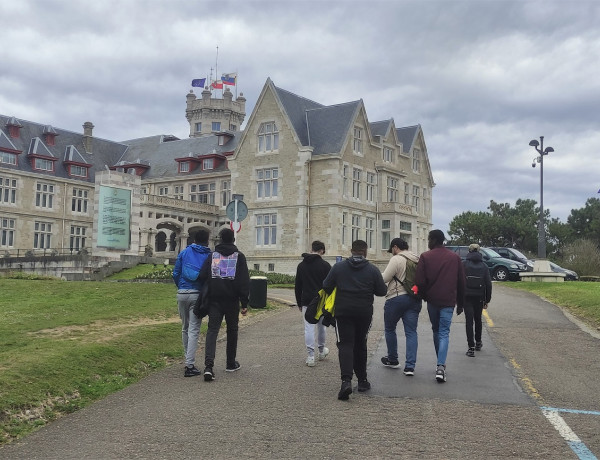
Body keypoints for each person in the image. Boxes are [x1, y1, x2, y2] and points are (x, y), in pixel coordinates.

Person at [322, 240, 387, 400]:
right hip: (364, 312)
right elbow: (381, 291)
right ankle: (363, 381)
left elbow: (326, 285)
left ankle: (346, 382)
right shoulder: (372, 269)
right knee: (360, 344)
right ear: (365, 251)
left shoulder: (338, 268)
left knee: (345, 344)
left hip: (343, 311)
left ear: (351, 251)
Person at [414, 229, 465, 383]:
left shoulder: (425, 257)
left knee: (436, 330)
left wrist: (423, 296)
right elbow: (462, 282)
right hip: (448, 301)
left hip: (432, 301)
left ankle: (440, 363)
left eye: (429, 239)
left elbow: (420, 281)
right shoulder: (455, 258)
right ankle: (440, 365)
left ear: (434, 240)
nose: (428, 242)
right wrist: (461, 303)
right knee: (444, 332)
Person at [200, 228, 250, 382]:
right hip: (232, 300)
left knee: (212, 330)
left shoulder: (212, 256)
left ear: (220, 239)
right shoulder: (239, 256)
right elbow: (244, 280)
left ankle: (209, 366)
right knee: (232, 330)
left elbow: (202, 275)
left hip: (215, 299)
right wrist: (244, 302)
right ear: (233, 240)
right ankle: (230, 363)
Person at [172, 229, 212, 377]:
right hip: (197, 295)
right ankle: (189, 364)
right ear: (207, 240)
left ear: (194, 239)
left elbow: (176, 273)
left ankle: (187, 358)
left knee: (185, 327)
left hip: (182, 293)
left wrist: (181, 286)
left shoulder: (184, 252)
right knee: (194, 329)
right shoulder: (208, 255)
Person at [380, 238, 422, 376]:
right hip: (414, 298)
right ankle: (410, 367)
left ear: (395, 247)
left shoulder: (396, 259)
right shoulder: (416, 258)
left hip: (396, 297)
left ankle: (393, 359)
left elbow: (385, 278)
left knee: (390, 329)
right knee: (411, 332)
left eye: (391, 250)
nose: (391, 253)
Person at [295, 241, 332, 367]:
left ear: (311, 249)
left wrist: (299, 302)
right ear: (321, 250)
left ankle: (310, 356)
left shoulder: (301, 266)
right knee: (321, 327)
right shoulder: (326, 265)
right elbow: (330, 286)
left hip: (306, 301)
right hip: (321, 301)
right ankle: (321, 351)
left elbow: (298, 286)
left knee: (308, 328)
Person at [461, 243, 492, 357]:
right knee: (478, 319)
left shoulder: (463, 264)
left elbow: (459, 281)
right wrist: (486, 300)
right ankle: (478, 342)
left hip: (467, 296)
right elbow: (488, 284)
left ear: (469, 251)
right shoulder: (484, 266)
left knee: (469, 321)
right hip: (479, 297)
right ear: (480, 252)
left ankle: (471, 347)